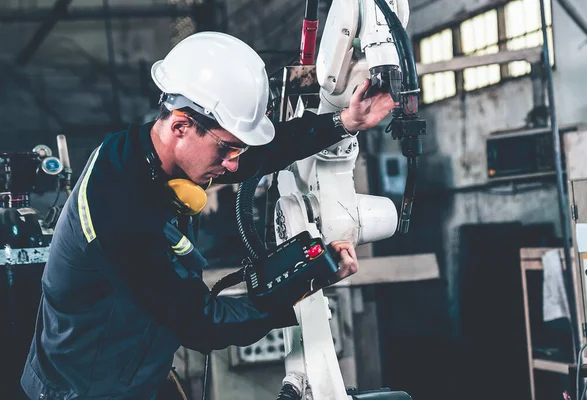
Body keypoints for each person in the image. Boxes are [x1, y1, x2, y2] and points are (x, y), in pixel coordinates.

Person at [20, 32, 398, 400]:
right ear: (181, 125)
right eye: (226, 149)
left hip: (133, 366)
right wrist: (302, 283)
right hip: (84, 390)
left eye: (238, 149)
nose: (233, 166)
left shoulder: (144, 151)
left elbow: (259, 155)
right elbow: (205, 326)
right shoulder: (119, 208)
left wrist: (344, 122)